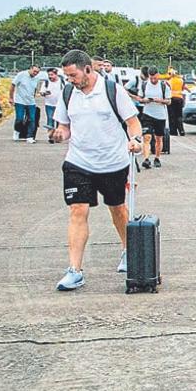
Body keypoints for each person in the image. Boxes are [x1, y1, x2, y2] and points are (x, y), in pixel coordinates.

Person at [51, 49, 144, 291]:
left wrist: (136, 140)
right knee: (77, 210)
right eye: (67, 76)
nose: (70, 80)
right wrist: (59, 134)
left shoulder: (113, 90)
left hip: (113, 162)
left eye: (73, 75)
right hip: (78, 162)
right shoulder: (68, 92)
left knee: (118, 210)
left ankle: (127, 249)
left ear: (88, 70)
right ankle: (75, 271)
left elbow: (133, 122)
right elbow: (65, 126)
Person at [138, 68, 170, 169]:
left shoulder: (164, 85)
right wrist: (144, 100)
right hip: (147, 114)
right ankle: (146, 159)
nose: (153, 80)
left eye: (155, 78)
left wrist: (160, 100)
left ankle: (157, 158)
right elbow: (140, 98)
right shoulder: (144, 85)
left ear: (158, 75)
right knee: (146, 137)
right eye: (151, 78)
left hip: (160, 115)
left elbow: (169, 101)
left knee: (158, 138)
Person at [11, 65, 44, 143]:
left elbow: (35, 89)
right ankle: (17, 131)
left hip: (31, 102)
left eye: (37, 72)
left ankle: (30, 136)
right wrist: (11, 98)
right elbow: (12, 85)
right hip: (20, 101)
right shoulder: (21, 75)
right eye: (34, 71)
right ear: (30, 69)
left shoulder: (37, 78)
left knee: (32, 119)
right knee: (20, 118)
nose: (35, 73)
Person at [41, 68, 64, 143]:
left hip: (60, 105)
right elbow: (41, 92)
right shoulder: (46, 82)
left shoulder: (62, 81)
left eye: (52, 75)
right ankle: (50, 137)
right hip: (49, 104)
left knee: (59, 121)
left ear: (56, 74)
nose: (50, 76)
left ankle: (57, 137)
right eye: (49, 75)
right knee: (50, 120)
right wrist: (45, 93)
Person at [167, 68, 186, 136]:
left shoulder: (169, 81)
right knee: (179, 115)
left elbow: (167, 90)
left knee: (172, 116)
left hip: (172, 98)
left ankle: (173, 131)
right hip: (180, 98)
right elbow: (183, 88)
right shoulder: (181, 80)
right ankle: (181, 130)